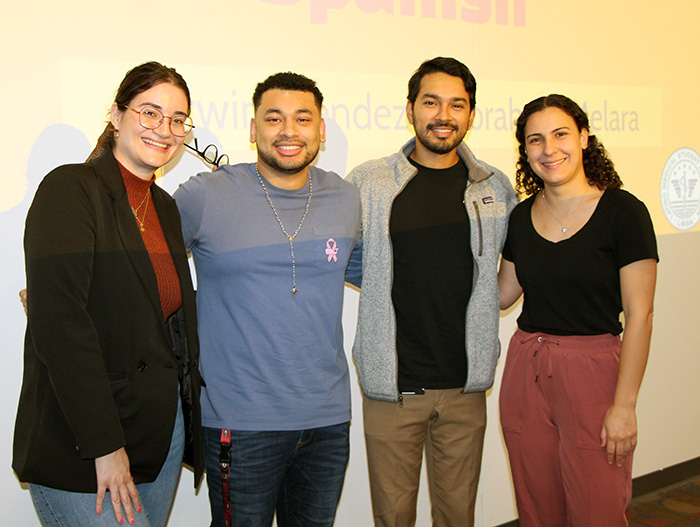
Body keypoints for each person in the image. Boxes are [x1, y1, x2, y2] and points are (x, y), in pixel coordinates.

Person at [13, 61, 204, 527]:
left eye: (178, 119)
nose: (165, 128)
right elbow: (61, 325)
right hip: (85, 435)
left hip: (160, 430)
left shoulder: (164, 206)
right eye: (150, 112)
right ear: (116, 116)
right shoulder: (70, 188)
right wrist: (105, 444)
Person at [172, 72, 362, 527]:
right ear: (253, 129)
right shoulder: (205, 196)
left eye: (303, 118)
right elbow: (143, 266)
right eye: (273, 118)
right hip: (239, 423)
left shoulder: (346, 198)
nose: (289, 131)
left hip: (327, 421)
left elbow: (377, 275)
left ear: (320, 129)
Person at [345, 57, 517, 526]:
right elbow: (349, 259)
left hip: (465, 388)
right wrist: (384, 282)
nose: (444, 115)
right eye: (431, 102)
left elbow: (508, 268)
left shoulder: (496, 187)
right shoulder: (370, 181)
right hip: (393, 389)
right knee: (394, 517)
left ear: (471, 114)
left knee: (458, 516)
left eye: (456, 104)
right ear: (410, 109)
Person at [498, 94, 658, 526]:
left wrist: (624, 406)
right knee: (537, 506)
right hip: (526, 367)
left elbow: (639, 315)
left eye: (560, 134)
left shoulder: (624, 212)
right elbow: (502, 295)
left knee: (597, 508)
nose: (549, 149)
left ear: (585, 138)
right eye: (535, 140)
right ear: (525, 151)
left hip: (594, 371)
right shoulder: (520, 217)